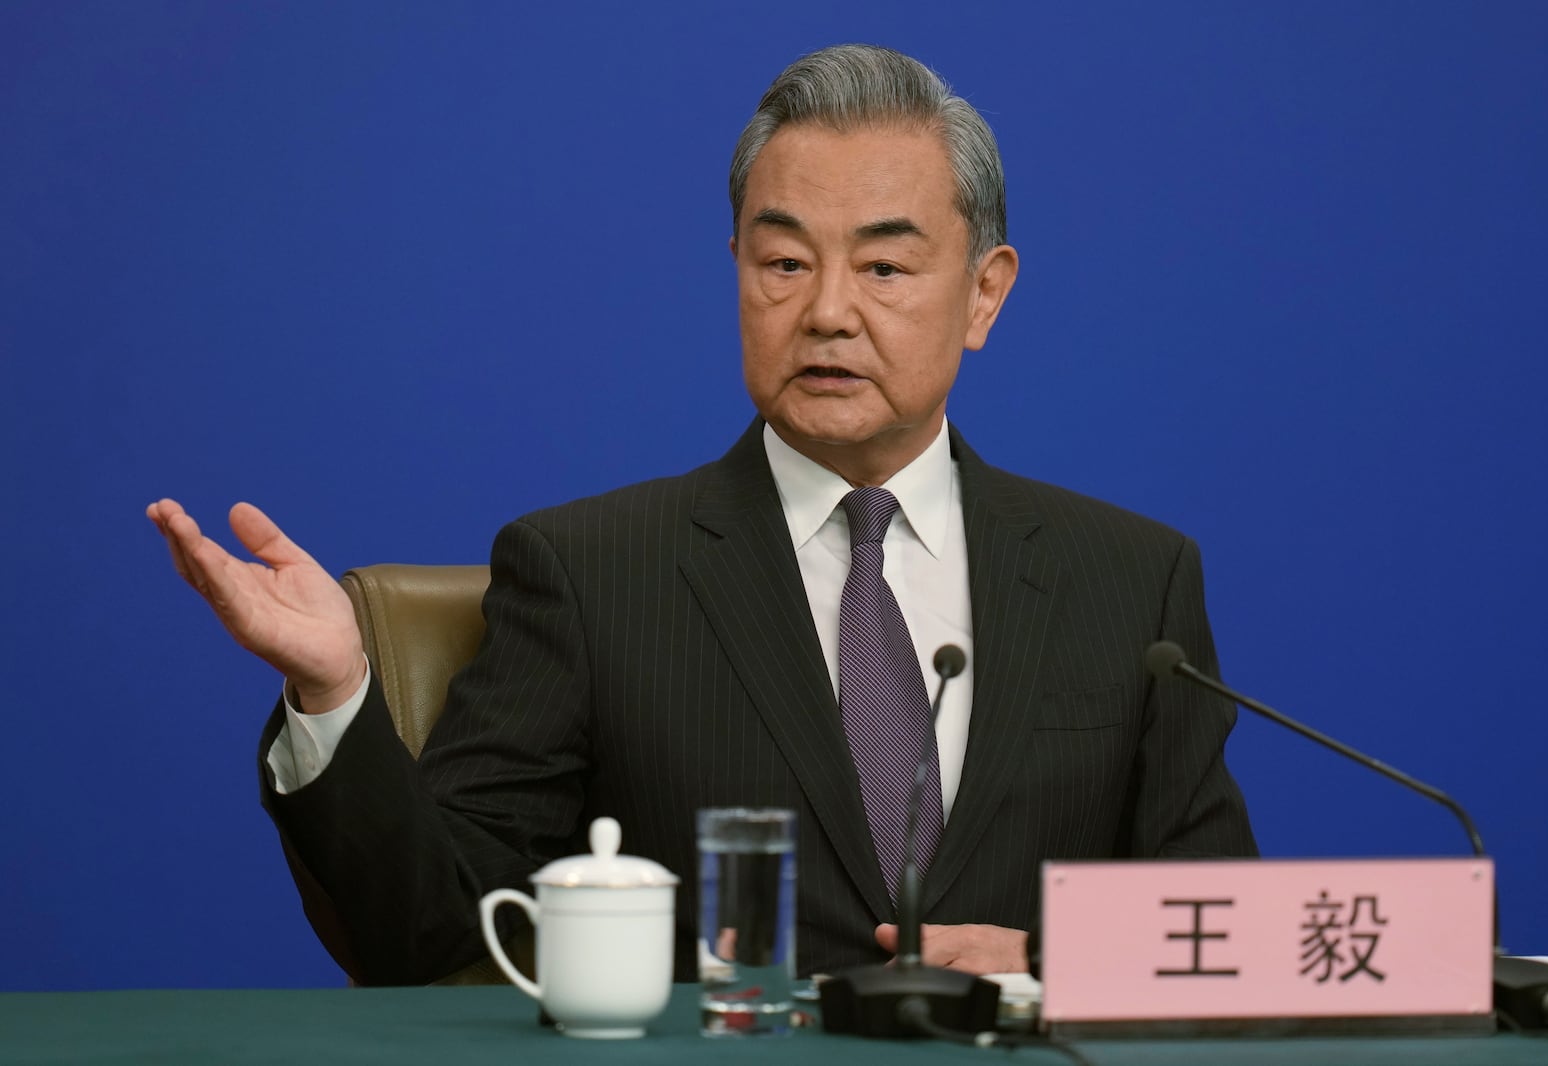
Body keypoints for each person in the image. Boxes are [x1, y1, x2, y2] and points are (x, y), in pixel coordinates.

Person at [148, 44, 1256, 985]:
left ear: (983, 293)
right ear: (737, 270)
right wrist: (335, 691)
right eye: (783, 261)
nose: (826, 310)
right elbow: (429, 930)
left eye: (882, 264)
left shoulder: (1129, 581)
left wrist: (1055, 961)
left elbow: (1226, 934)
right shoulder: (590, 572)